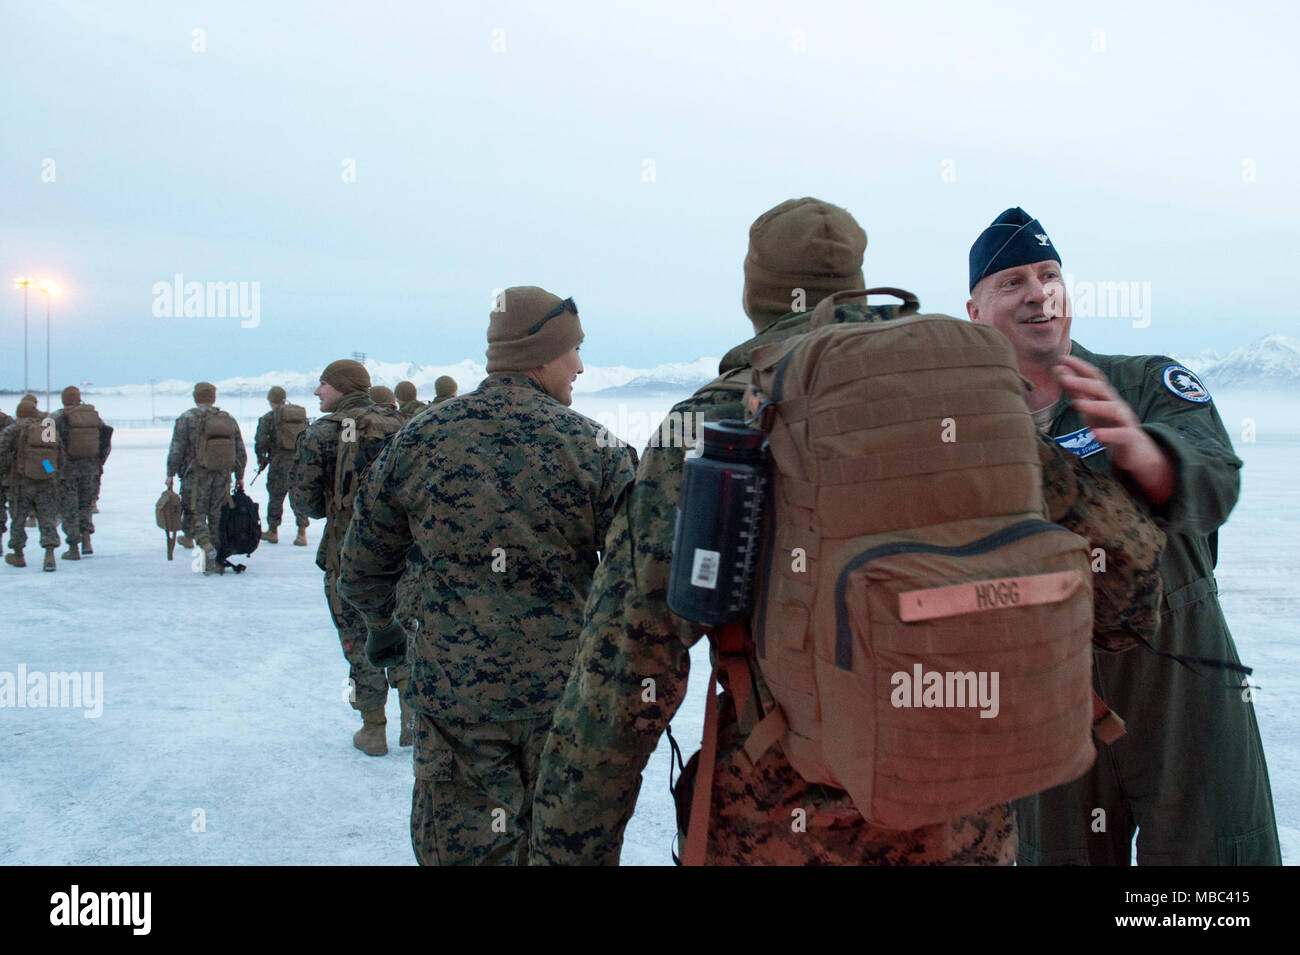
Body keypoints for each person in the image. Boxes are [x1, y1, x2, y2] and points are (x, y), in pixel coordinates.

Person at [527, 198, 1164, 866]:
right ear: (858, 282)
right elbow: (1131, 584)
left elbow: (624, 673)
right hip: (966, 827)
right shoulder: (964, 396)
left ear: (756, 298)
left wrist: (569, 848)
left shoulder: (717, 422)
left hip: (779, 830)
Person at [965, 206, 1281, 866]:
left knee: (1214, 867)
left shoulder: (1141, 382)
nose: (1037, 292)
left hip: (1179, 667)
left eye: (1049, 274)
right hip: (1046, 681)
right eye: (1013, 280)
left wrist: (1149, 456)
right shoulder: (966, 429)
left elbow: (1218, 478)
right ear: (975, 311)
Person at [337, 287, 635, 865]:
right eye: (573, 350)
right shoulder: (595, 447)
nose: (580, 365)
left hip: (456, 702)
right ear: (540, 354)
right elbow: (641, 578)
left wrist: (383, 628)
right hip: (566, 702)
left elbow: (363, 565)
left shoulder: (418, 439)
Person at [289, 360, 409, 756]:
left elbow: (307, 504)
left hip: (347, 555)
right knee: (405, 631)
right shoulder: (399, 425)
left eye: (322, 384)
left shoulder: (323, 432)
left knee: (358, 640)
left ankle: (373, 730)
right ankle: (413, 721)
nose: (317, 392)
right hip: (402, 555)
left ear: (340, 387)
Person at [165, 382, 247, 575]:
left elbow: (176, 449)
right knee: (217, 515)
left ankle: (206, 548)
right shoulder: (227, 419)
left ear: (196, 397)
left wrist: (170, 473)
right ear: (213, 398)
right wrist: (240, 475)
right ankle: (216, 561)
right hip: (222, 475)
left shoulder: (186, 419)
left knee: (196, 513)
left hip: (195, 476)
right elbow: (240, 450)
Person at [1, 395, 64, 570]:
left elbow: (3, 456)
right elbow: (58, 456)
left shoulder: (12, 430)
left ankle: (18, 554)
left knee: (18, 518)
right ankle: (49, 555)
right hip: (46, 481)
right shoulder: (47, 429)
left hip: (20, 483)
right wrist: (49, 472)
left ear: (18, 414)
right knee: (47, 517)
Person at [52, 386, 108, 559]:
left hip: (66, 471)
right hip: (90, 470)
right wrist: (98, 465)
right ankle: (86, 540)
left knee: (69, 508)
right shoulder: (93, 417)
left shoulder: (55, 418)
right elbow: (105, 442)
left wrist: (49, 471)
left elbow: (46, 449)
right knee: (85, 506)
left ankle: (73, 547)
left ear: (63, 400)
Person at [253, 386, 310, 546]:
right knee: (298, 495)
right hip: (299, 461)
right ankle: (301, 533)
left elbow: (261, 442)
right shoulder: (299, 416)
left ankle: (272, 531)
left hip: (279, 462)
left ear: (271, 401)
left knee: (276, 496)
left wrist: (262, 459)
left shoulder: (269, 418)